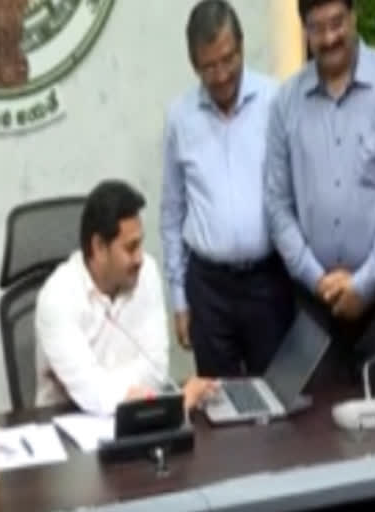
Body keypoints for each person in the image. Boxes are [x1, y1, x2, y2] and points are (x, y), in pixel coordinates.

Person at [264, 0, 375, 391]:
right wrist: (318, 279)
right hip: (314, 304)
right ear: (304, 30)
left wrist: (365, 284)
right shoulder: (286, 104)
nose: (329, 37)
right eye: (317, 27)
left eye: (337, 23)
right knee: (318, 434)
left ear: (354, 16)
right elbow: (277, 206)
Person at [161, 0, 294, 378]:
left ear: (241, 47)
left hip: (269, 283)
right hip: (209, 290)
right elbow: (172, 214)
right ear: (194, 65)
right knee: (219, 409)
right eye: (209, 66)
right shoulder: (180, 118)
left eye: (228, 59)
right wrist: (179, 300)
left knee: (277, 407)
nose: (221, 75)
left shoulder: (276, 101)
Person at [35, 180, 218, 416]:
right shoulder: (57, 299)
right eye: (130, 248)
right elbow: (95, 395)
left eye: (140, 244)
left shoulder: (146, 274)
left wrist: (110, 388)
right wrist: (127, 391)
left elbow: (156, 370)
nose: (140, 258)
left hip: (136, 420)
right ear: (99, 247)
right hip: (65, 426)